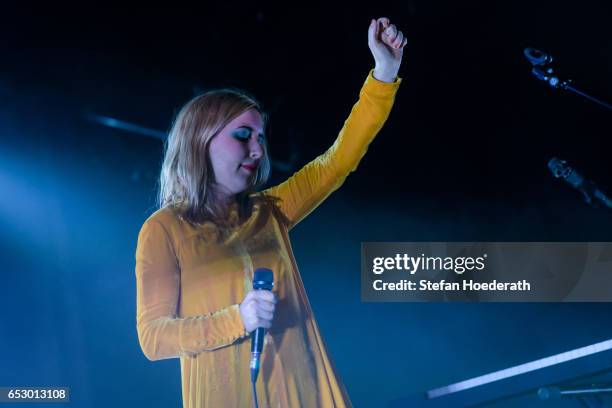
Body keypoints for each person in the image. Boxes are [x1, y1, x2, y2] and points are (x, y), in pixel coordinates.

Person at [135, 17, 406, 408]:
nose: (257, 150)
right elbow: (154, 338)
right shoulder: (164, 230)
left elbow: (337, 162)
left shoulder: (270, 212)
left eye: (260, 138)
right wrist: (237, 320)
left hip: (306, 395)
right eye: (243, 136)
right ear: (199, 142)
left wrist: (383, 73)